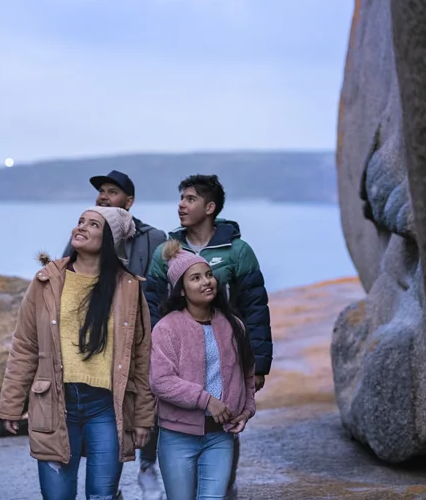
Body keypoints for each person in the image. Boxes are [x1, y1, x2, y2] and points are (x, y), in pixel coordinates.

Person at [0, 206, 155, 500]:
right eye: (80, 221)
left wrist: (144, 417)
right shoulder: (47, 281)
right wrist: (11, 403)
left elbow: (142, 357)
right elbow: (25, 346)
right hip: (56, 402)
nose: (80, 228)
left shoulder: (129, 288)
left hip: (106, 407)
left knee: (102, 496)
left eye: (93, 225)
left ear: (110, 239)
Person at [145, 174, 271, 499]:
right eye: (181, 199)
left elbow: (255, 306)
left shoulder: (237, 250)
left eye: (190, 199)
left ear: (210, 207)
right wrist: (159, 348)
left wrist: (259, 364)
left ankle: (224, 486)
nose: (181, 205)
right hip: (179, 356)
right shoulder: (166, 252)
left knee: (226, 420)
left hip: (226, 348)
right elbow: (152, 305)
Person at [61, 169, 167, 499]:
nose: (104, 196)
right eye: (101, 191)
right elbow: (68, 279)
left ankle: (147, 465)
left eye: (112, 192)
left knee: (144, 402)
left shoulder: (153, 238)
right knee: (105, 409)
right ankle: (111, 482)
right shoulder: (84, 234)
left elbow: (162, 288)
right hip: (97, 337)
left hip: (141, 332)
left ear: (129, 201)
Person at [150, 240, 256, 500]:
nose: (206, 282)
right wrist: (206, 400)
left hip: (220, 436)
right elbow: (161, 381)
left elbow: (247, 374)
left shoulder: (233, 325)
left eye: (209, 275)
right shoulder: (166, 328)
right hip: (177, 435)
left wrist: (247, 409)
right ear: (182, 290)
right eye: (195, 278)